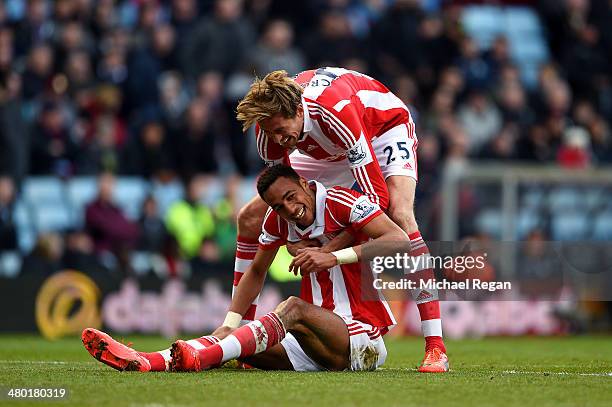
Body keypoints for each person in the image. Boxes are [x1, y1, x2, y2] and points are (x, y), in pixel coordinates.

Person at [81, 166, 445, 372]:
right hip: (315, 345)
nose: (289, 209)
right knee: (236, 343)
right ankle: (149, 361)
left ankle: (196, 358)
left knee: (292, 307)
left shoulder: (341, 201)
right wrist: (231, 319)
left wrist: (333, 256)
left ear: (304, 183)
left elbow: (399, 239)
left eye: (291, 197)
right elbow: (256, 271)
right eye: (279, 205)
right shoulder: (277, 222)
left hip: (363, 337)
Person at [232, 68, 448, 371]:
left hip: (380, 130)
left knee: (399, 215)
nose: (278, 140)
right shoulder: (271, 134)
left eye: (281, 130)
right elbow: (281, 194)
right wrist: (296, 242)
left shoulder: (334, 111)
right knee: (250, 217)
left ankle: (435, 346)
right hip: (323, 149)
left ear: (297, 110)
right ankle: (240, 329)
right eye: (271, 134)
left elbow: (375, 200)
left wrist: (330, 251)